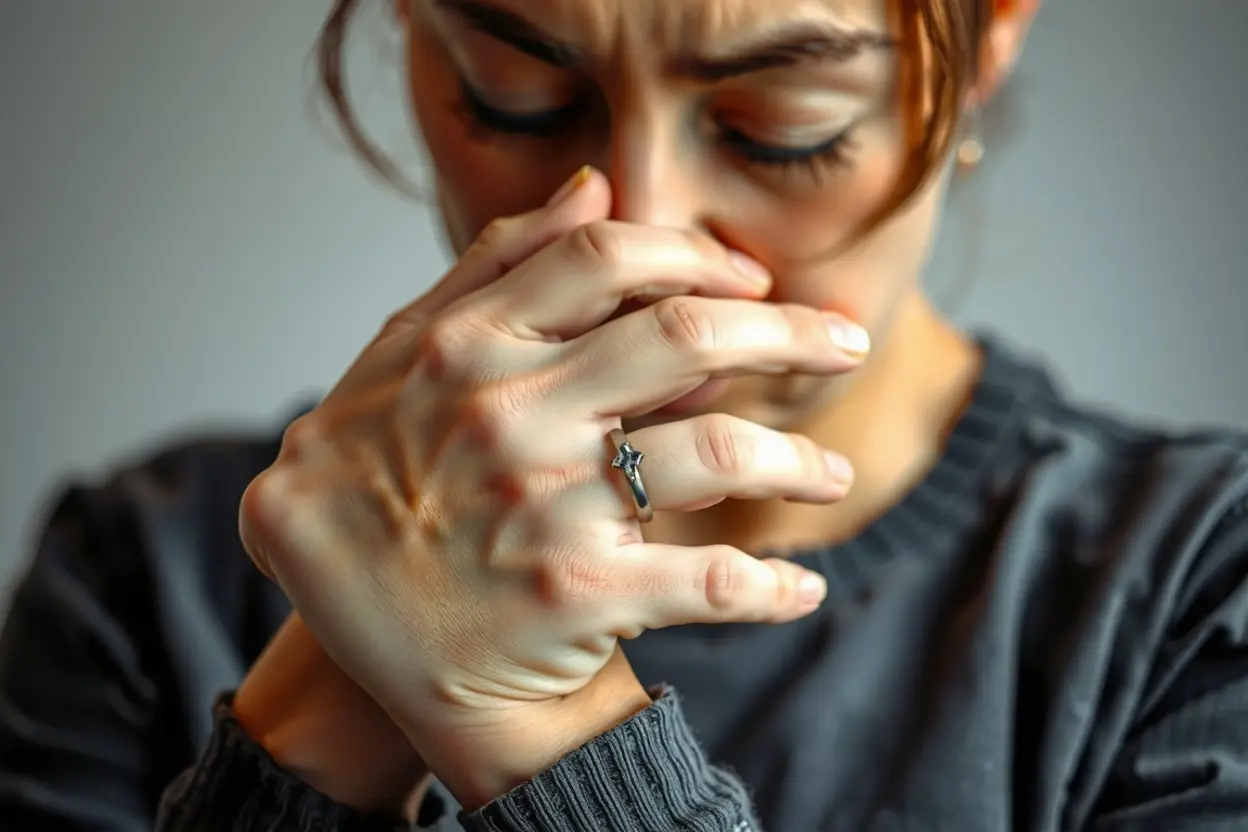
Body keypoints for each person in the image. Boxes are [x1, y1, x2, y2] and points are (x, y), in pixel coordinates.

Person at [2, 0, 1246, 829]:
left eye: (782, 130)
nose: (634, 233)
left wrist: (532, 730)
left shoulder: (1201, 595)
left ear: (981, 43)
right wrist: (317, 712)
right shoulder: (146, 577)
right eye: (516, 99)